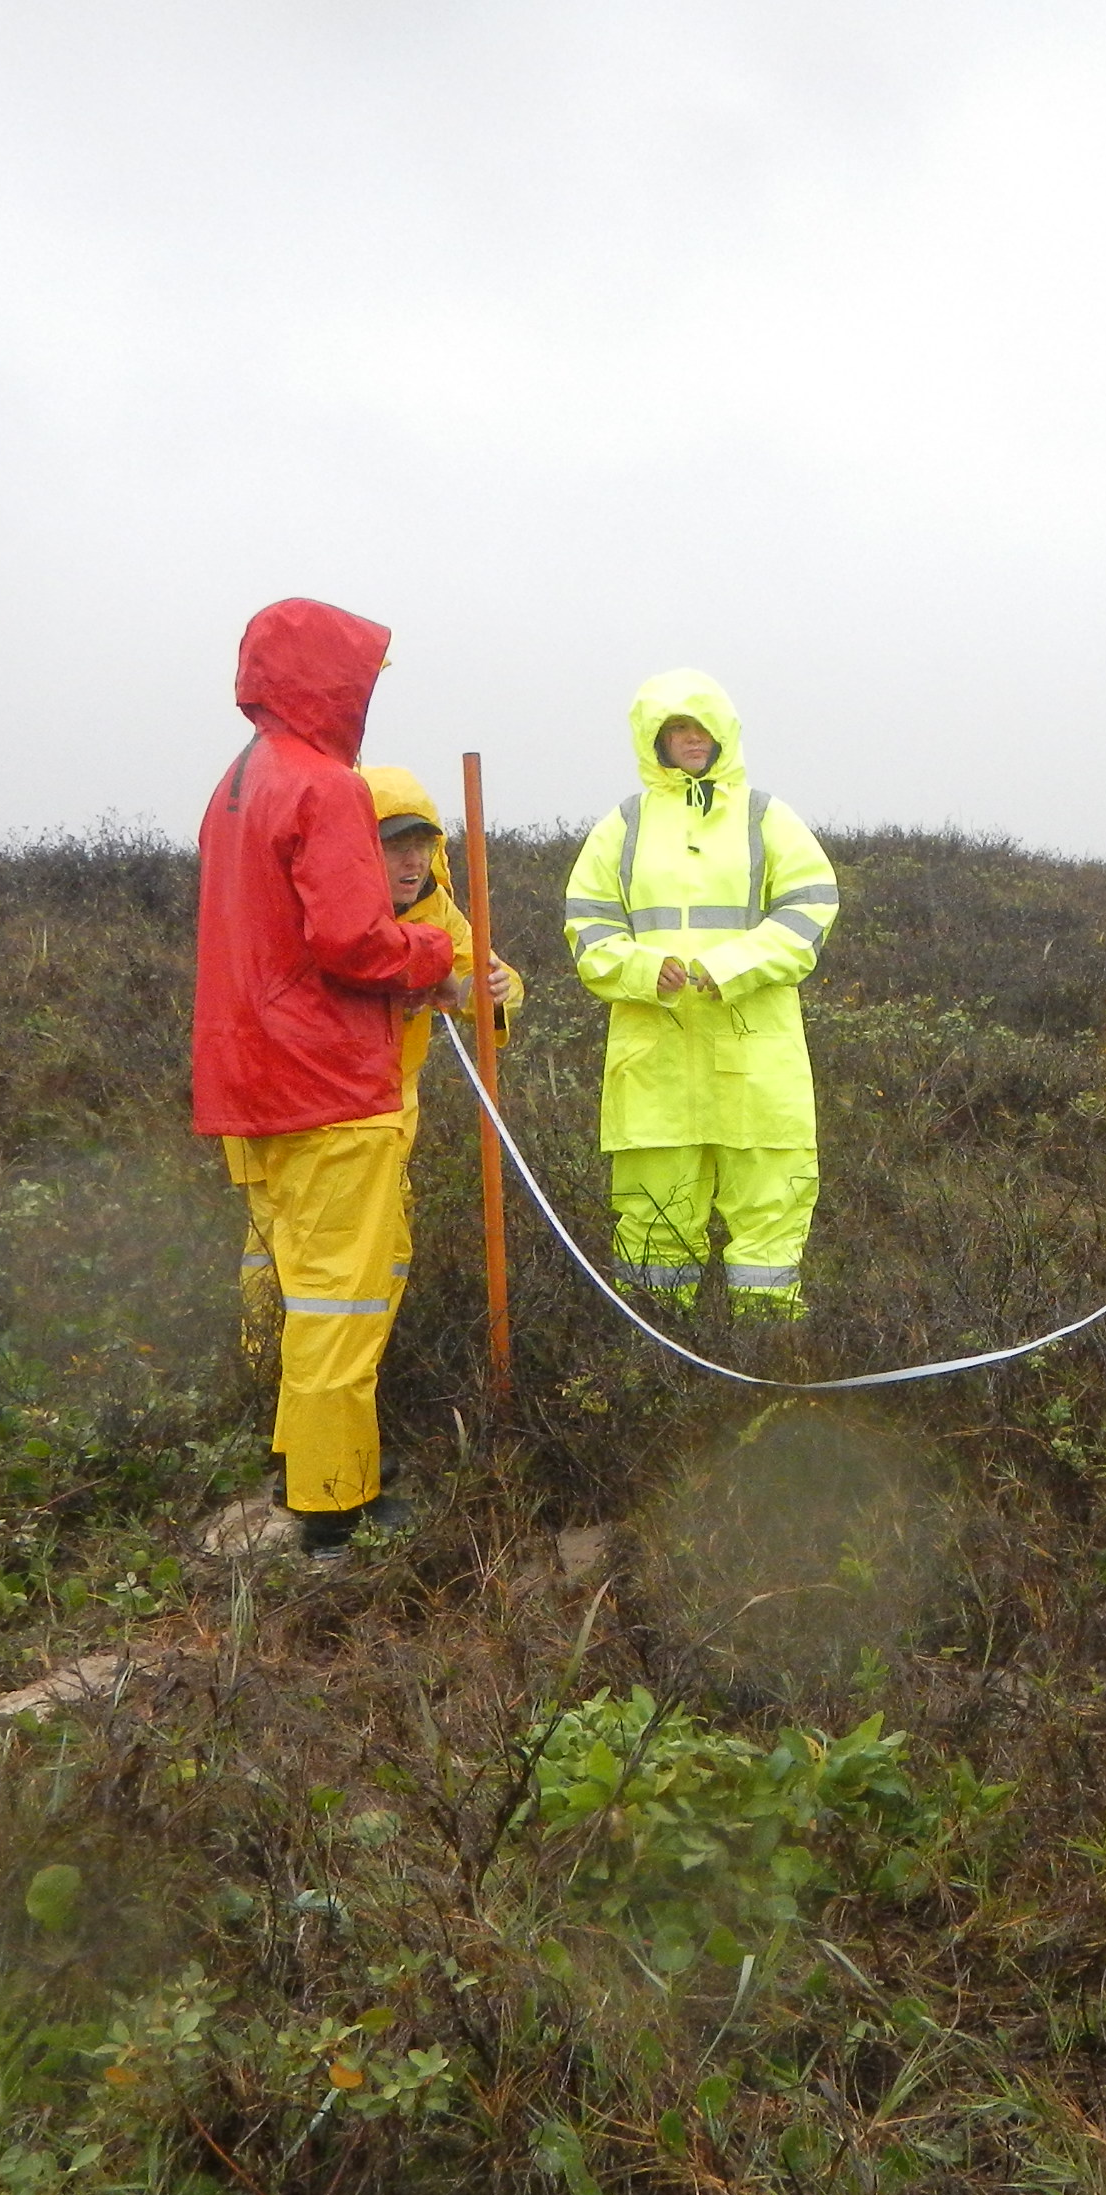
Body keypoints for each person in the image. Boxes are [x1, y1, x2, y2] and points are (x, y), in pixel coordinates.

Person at [194, 598, 455, 1556]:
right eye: (362, 676)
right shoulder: (324, 785)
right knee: (346, 1303)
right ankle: (333, 1508)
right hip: (331, 1087)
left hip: (254, 1085)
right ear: (329, 680)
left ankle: (297, 1470)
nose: (367, 695)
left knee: (302, 1294)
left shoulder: (236, 783)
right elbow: (352, 942)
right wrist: (433, 956)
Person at [558, 671, 840, 1318]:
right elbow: (588, 926)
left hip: (757, 1064)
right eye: (676, 729)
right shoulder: (623, 825)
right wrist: (638, 970)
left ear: (723, 733)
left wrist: (735, 965)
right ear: (653, 741)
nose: (691, 739)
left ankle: (766, 1365)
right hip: (654, 1065)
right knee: (653, 1226)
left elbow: (812, 909)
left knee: (770, 1224)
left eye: (701, 727)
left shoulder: (768, 816)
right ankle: (653, 1372)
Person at [234, 768, 523, 1401]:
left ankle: (357, 1387)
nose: (412, 860)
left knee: (381, 1251)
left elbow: (480, 976)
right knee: (287, 1253)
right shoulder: (316, 902)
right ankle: (264, 1386)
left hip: (387, 1113)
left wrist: (491, 991)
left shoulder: (438, 909)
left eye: (423, 844)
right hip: (294, 1110)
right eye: (393, 844)